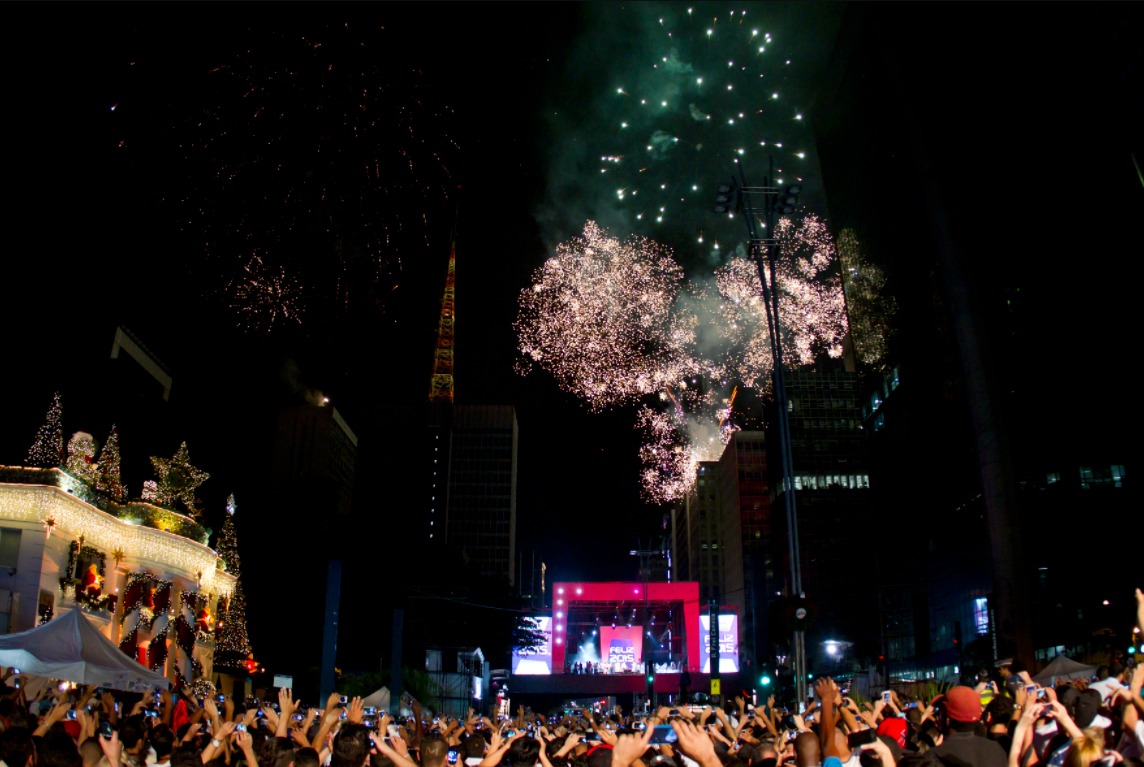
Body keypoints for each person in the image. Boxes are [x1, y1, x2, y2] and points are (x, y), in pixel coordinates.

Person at [930, 685, 1007, 767]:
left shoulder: (934, 757)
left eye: (940, 713)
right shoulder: (997, 750)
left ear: (947, 720)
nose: (937, 718)